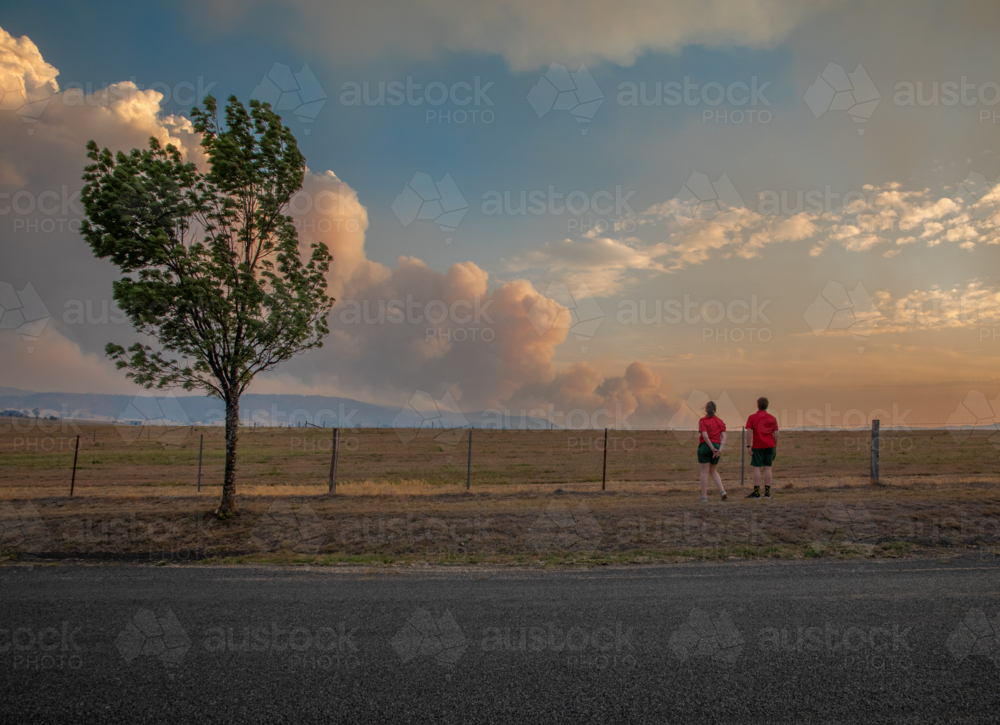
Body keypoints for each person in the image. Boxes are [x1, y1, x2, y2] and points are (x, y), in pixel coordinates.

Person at [745, 396, 779, 498]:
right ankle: (767, 493)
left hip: (758, 446)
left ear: (757, 405)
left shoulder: (752, 418)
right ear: (767, 406)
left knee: (756, 469)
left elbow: (749, 433)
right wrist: (775, 446)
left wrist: (748, 446)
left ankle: (756, 493)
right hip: (770, 445)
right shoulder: (772, 418)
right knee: (768, 468)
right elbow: (776, 433)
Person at [697, 401, 727, 502]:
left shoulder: (703, 421)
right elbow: (724, 436)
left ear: (705, 409)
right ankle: (722, 491)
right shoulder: (720, 421)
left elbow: (705, 435)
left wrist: (711, 448)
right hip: (717, 445)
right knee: (713, 471)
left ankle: (704, 496)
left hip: (706, 446)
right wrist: (719, 449)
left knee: (704, 471)